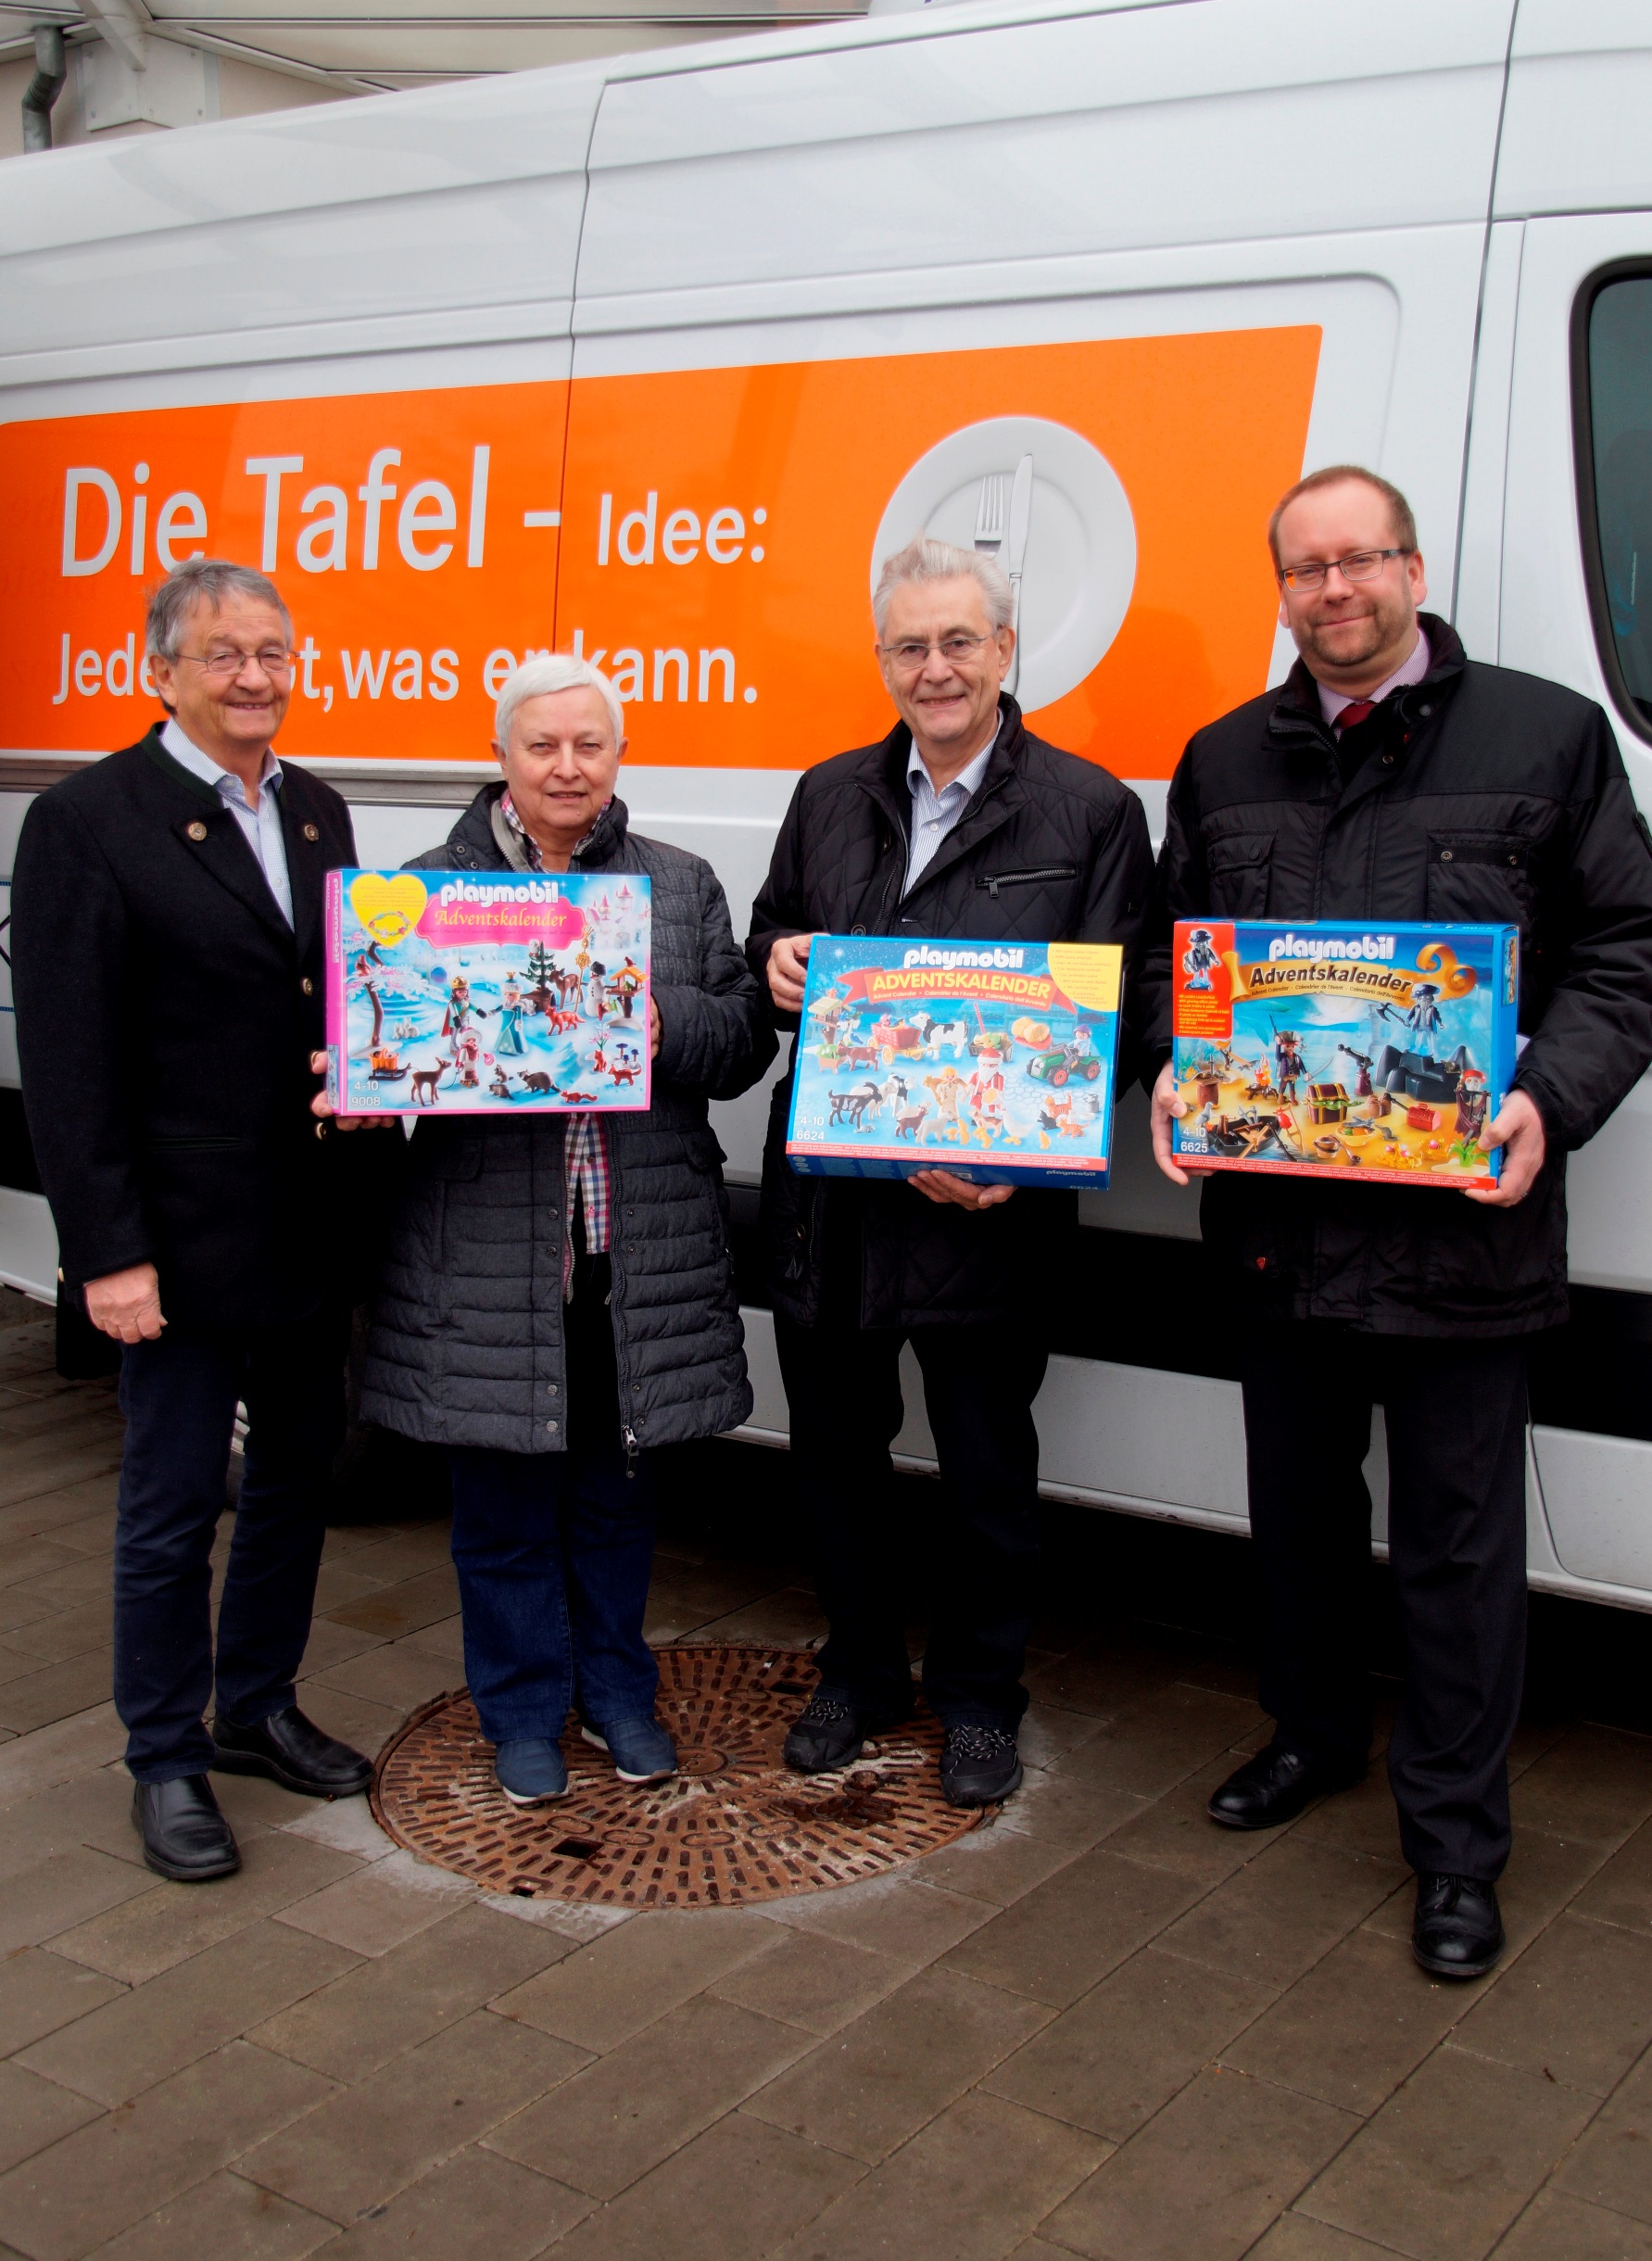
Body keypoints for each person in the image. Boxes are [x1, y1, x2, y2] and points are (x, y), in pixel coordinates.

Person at [1143, 464, 1652, 1977]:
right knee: (1294, 1525)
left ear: (1410, 568)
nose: (1333, 589)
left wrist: (1541, 1101)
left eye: (1358, 559)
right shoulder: (1222, 759)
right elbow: (1189, 971)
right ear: (1279, 586)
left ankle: (1454, 1846)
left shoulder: (1543, 734)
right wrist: (1178, 1076)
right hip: (1275, 1233)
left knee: (1450, 1552)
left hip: (1458, 1239)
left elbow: (1625, 954)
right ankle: (1310, 1738)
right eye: (1303, 567)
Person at [747, 534, 1154, 1808]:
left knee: (986, 1478)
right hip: (833, 1210)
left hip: (984, 1218)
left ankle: (979, 1699)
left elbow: (1122, 1019)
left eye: (957, 643)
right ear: (882, 660)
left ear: (1004, 652)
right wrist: (772, 969)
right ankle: (859, 1672)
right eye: (909, 647)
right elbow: (772, 931)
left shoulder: (1088, 811)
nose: (934, 669)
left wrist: (1019, 1173)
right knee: (833, 1462)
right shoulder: (827, 794)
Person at [10, 558, 385, 1885]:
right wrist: (106, 1254)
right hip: (172, 1248)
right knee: (172, 1511)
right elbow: (68, 1066)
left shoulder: (319, 810)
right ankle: (163, 1754)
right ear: (157, 667)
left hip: (303, 1233)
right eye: (225, 654)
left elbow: (340, 997)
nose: (255, 677)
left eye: (274, 652)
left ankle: (258, 1707)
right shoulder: (87, 822)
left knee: (290, 1487)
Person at [352, 655, 774, 1806]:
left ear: (618, 756)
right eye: (542, 746)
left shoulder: (678, 888)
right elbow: (388, 1056)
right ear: (502, 758)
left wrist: (656, 1013)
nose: (566, 766)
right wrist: (371, 1066)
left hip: (629, 1254)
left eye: (589, 745)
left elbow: (741, 1042)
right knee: (497, 1511)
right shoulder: (424, 892)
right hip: (486, 1261)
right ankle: (525, 1711)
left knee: (614, 1499)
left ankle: (618, 1696)